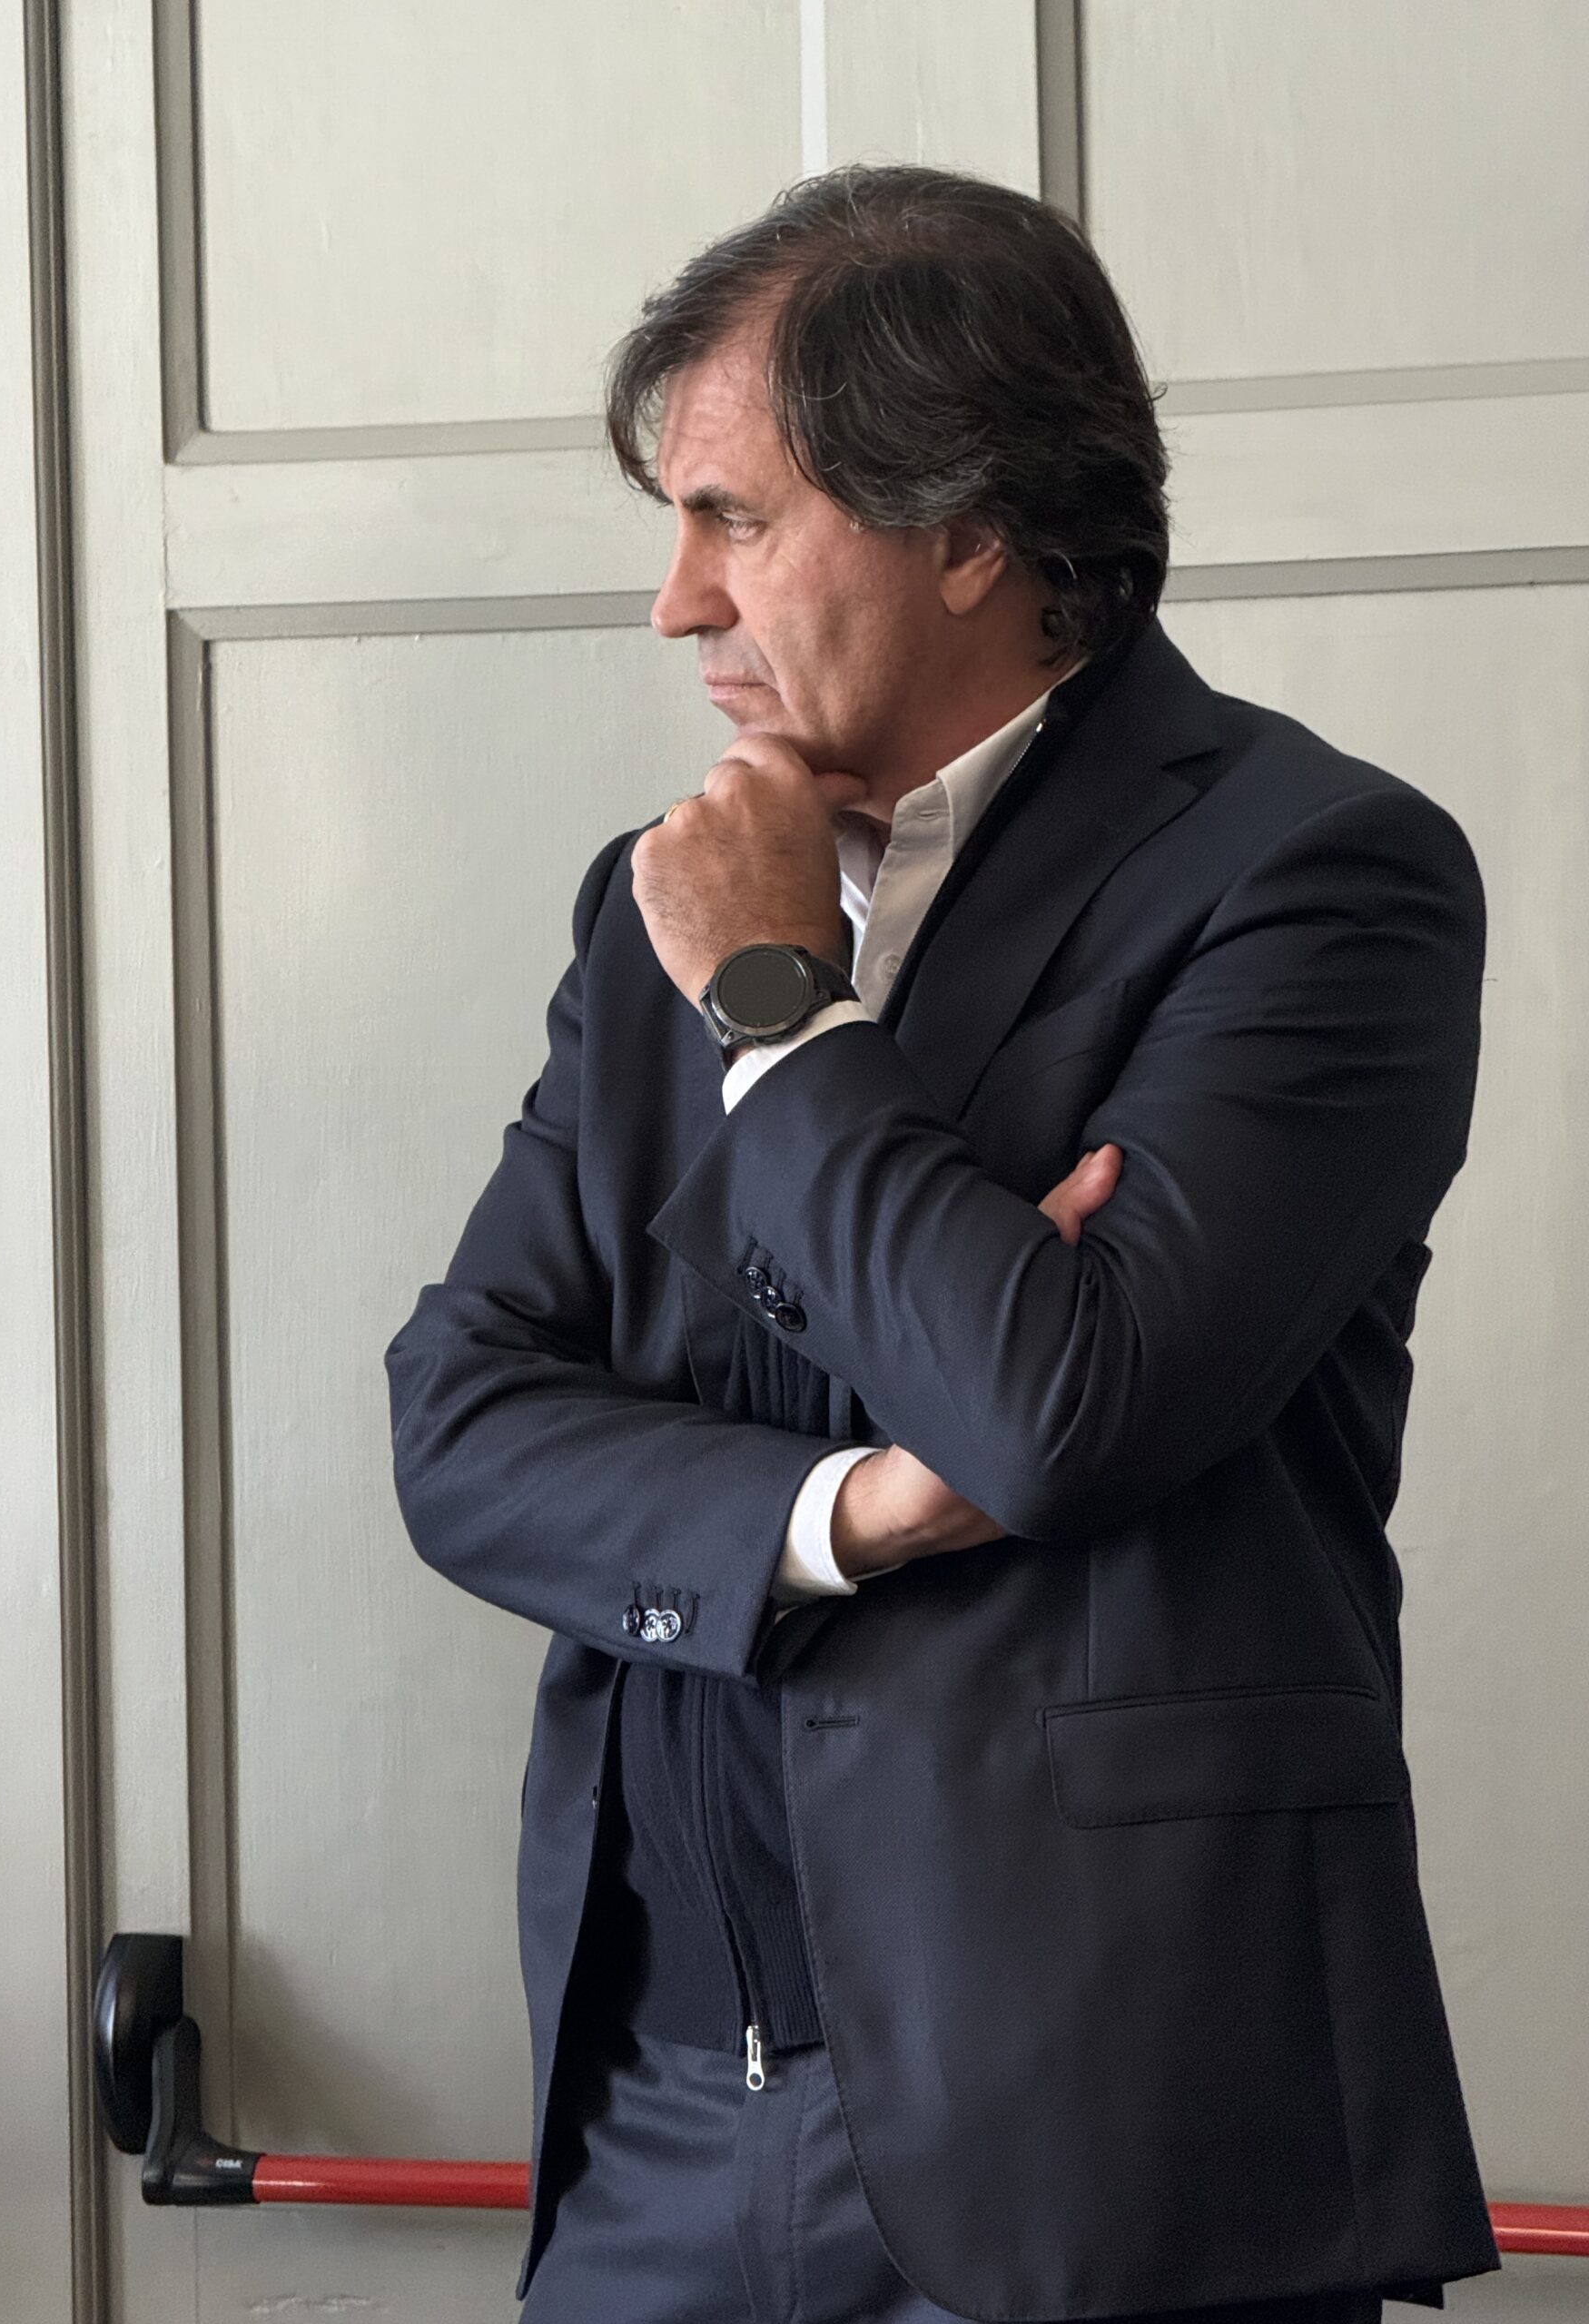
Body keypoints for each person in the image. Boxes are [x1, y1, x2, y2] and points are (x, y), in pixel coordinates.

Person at [384, 165, 1500, 2324]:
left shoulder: (1320, 877)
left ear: (970, 526)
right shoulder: (658, 899)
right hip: (654, 2121)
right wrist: (849, 1510)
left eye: (733, 517)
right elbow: (462, 1419)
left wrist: (781, 1009)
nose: (676, 605)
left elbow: (1058, 1403)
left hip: (1102, 2135)